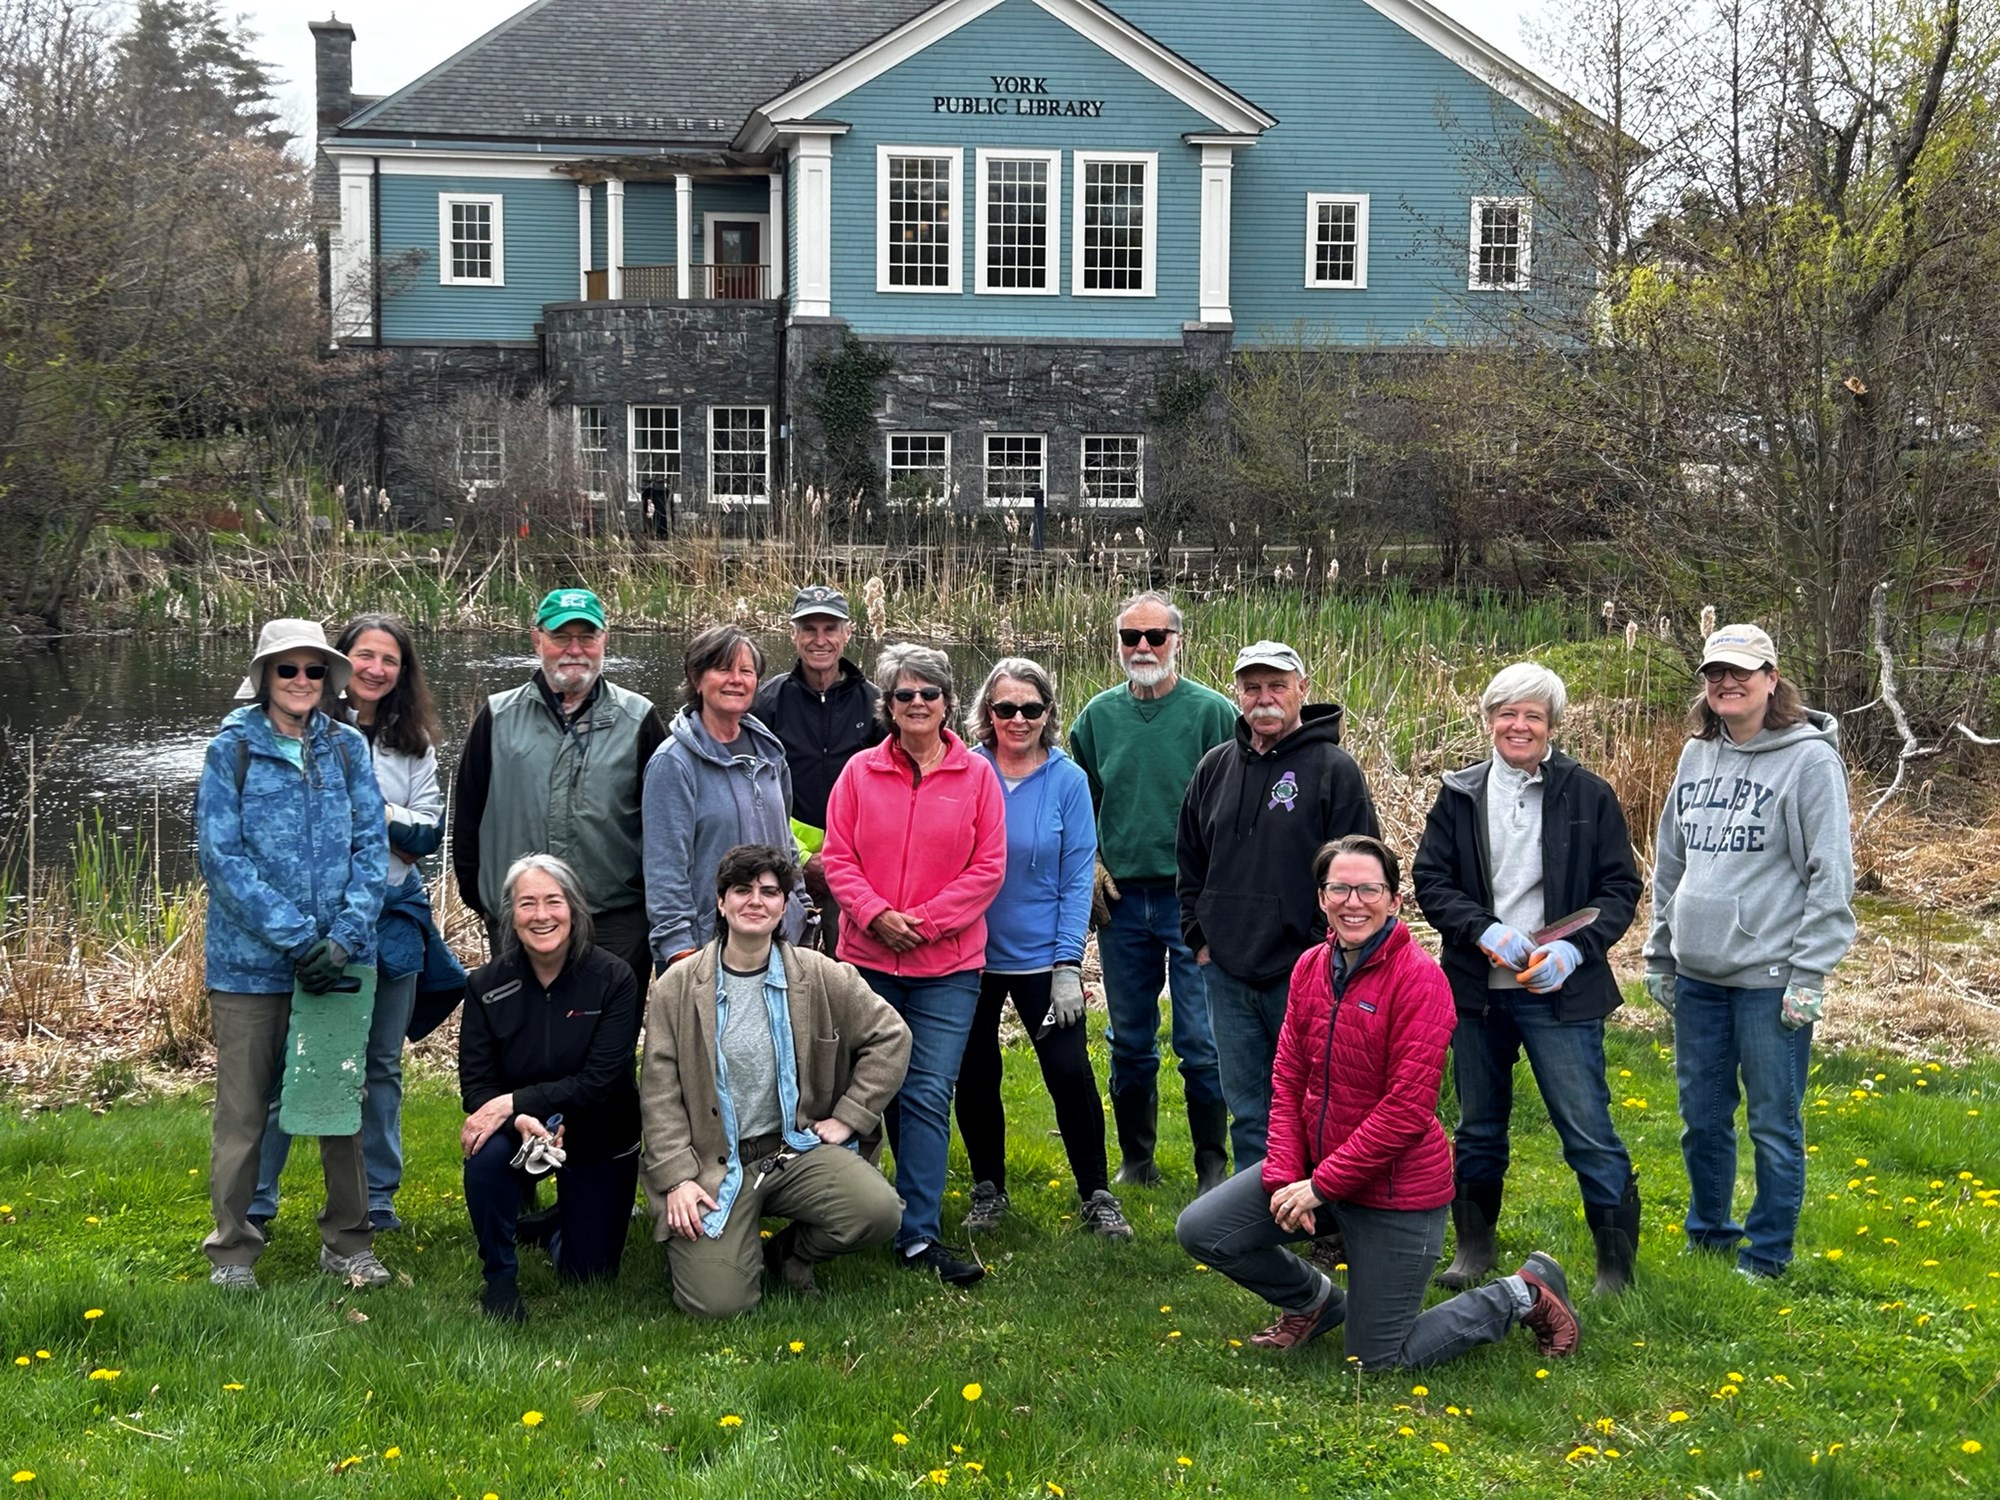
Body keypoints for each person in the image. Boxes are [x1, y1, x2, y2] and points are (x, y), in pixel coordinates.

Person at [1176, 836, 1581, 1368]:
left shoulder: (1420, 980)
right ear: (1321, 898)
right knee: (1202, 1230)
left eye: (1369, 889)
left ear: (1394, 900)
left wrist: (1319, 1186)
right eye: (1339, 888)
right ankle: (1314, 1303)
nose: (1353, 901)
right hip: (1323, 1176)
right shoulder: (1309, 968)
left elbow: (1406, 1111)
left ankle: (1523, 1293)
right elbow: (1289, 1076)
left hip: (1397, 1191)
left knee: (1374, 1361)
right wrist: (1282, 1176)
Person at [1413, 663, 1644, 1296]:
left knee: (1587, 1129)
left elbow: (1621, 888)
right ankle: (1474, 1247)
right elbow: (1431, 880)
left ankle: (1614, 1268)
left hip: (1559, 993)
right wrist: (1481, 930)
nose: (1519, 726)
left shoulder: (1588, 794)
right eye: (1508, 713)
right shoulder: (1458, 794)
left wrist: (1576, 949)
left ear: (1552, 727)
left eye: (1533, 716)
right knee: (1478, 1127)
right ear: (1489, 721)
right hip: (1477, 991)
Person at [1645, 623, 1856, 1280]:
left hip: (1771, 980)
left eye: (1741, 672)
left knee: (1772, 1121)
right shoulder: (1695, 755)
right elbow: (1670, 863)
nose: (1727, 684)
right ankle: (1709, 1234)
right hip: (1699, 975)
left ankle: (1766, 1255)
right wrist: (1661, 953)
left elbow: (1831, 872)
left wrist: (1810, 971)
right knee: (1702, 1119)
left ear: (1771, 678)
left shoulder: (1810, 760)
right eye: (1715, 674)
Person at [253, 614, 464, 1236]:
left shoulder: (414, 744)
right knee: (282, 1066)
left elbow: (426, 835)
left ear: (404, 672)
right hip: (308, 923)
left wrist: (368, 814)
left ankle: (377, 1199)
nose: (375, 669)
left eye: (389, 660)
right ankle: (255, 1204)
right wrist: (384, 827)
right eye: (364, 655)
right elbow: (296, 833)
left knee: (379, 1066)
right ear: (338, 662)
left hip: (392, 918)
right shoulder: (304, 731)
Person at [196, 619, 391, 1291]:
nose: (302, 682)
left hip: (339, 960)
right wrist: (297, 937)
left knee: (341, 1105)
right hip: (249, 967)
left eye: (314, 670)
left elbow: (373, 846)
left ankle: (348, 1241)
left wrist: (343, 937)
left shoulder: (348, 749)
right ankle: (233, 1250)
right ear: (263, 678)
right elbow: (221, 860)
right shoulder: (232, 750)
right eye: (288, 670)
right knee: (244, 1113)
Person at [641, 844, 912, 1317]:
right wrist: (677, 1180)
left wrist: (850, 1117)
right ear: (721, 902)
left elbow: (891, 1035)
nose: (755, 901)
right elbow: (659, 1093)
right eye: (741, 890)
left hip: (793, 1150)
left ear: (784, 904)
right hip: (713, 1163)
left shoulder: (820, 975)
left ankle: (790, 1253)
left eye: (769, 892)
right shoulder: (677, 987)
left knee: (879, 1211)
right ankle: (711, 1255)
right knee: (718, 1304)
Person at [821, 644, 1007, 1286]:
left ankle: (918, 1234)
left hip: (949, 968)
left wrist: (922, 924)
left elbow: (988, 868)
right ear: (888, 706)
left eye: (930, 693)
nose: (918, 704)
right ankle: (837, 1213)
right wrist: (875, 915)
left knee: (927, 1091)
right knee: (866, 1092)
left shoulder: (977, 777)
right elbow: (837, 859)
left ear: (949, 703)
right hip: (867, 963)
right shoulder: (858, 774)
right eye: (905, 695)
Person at [1177, 640, 1379, 1169]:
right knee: (1249, 1109)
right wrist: (1200, 940)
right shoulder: (1214, 767)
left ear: (1302, 690)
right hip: (1226, 971)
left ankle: (1323, 1218)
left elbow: (1361, 875)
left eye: (1277, 686)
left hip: (1304, 971)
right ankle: (1256, 1222)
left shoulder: (1336, 770)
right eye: (1251, 687)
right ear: (1237, 694)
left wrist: (1323, 952)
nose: (1264, 698)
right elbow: (1190, 862)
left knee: (1316, 1102)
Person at [955, 658, 1133, 1241]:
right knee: (975, 1072)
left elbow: (1078, 875)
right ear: (987, 714)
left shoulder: (1067, 780)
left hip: (1043, 963)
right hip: (971, 959)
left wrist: (1066, 964)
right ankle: (988, 1189)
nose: (1018, 718)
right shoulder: (964, 770)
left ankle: (1097, 1193)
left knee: (1067, 1070)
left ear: (1048, 714)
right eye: (1005, 708)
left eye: (1031, 708)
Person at [1069, 591, 1234, 1192]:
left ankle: (1212, 1164)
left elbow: (1235, 804)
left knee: (1199, 1039)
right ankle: (1137, 1159)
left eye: (1155, 637)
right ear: (1116, 644)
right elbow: (1076, 800)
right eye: (1130, 637)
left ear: (1177, 642)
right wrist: (1087, 861)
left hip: (1192, 902)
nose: (1143, 647)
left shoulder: (1213, 714)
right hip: (1121, 904)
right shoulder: (1095, 718)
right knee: (1131, 1038)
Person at [453, 587, 667, 992]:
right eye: (560, 637)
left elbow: (665, 822)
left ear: (604, 640)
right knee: (521, 1041)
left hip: (615, 920)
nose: (575, 649)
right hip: (520, 918)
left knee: (607, 1046)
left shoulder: (639, 719)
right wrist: (485, 901)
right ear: (537, 640)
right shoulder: (497, 716)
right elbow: (468, 815)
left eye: (587, 637)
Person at [459, 854, 643, 1321]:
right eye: (527, 904)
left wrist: (516, 1101)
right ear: (509, 916)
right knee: (483, 1152)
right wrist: (518, 1117)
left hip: (601, 1131)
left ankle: (556, 1222)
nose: (541, 915)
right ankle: (499, 1276)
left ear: (575, 909)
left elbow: (601, 1080)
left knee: (588, 1275)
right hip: (519, 1131)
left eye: (553, 901)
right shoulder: (484, 986)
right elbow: (478, 1086)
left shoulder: (615, 979)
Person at [644, 624, 809, 970]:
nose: (736, 679)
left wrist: (801, 909)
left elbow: (786, 844)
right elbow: (665, 867)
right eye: (722, 668)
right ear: (696, 678)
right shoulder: (673, 762)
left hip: (778, 941)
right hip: (707, 950)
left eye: (746, 671)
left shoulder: (771, 754)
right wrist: (678, 949)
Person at [753, 584, 886, 955]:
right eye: (809, 629)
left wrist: (844, 859)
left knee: (847, 973)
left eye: (830, 628)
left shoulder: (877, 705)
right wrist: (802, 859)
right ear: (793, 634)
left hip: (857, 867)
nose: (820, 640)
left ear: (847, 633)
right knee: (787, 969)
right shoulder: (767, 703)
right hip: (782, 862)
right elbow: (753, 792)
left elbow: (890, 790)